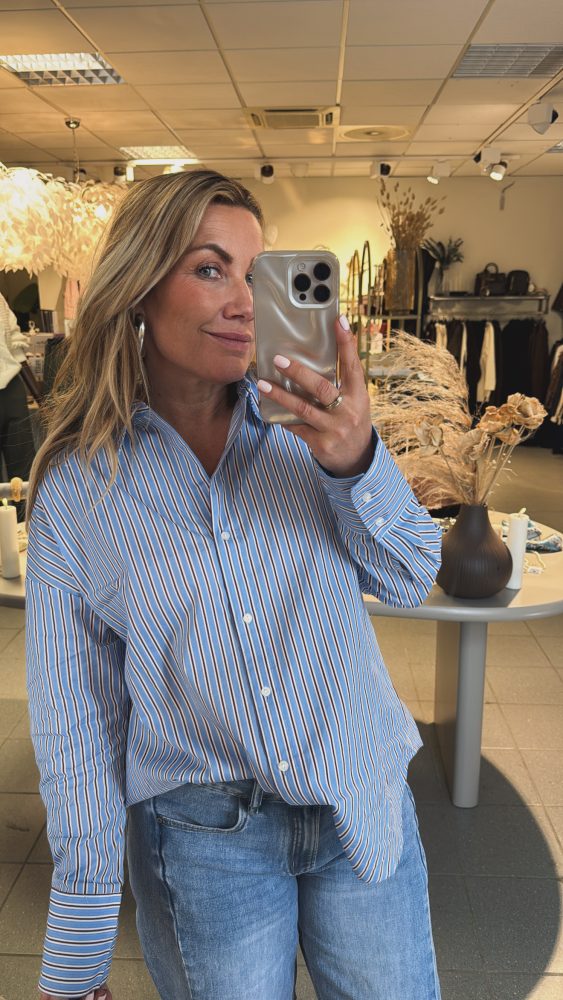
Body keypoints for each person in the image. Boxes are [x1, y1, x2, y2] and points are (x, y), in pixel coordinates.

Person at [26, 169, 442, 1000]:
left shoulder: (314, 433)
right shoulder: (79, 491)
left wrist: (355, 463)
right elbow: (76, 724)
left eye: (257, 275)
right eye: (209, 269)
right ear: (140, 287)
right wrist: (78, 946)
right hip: (202, 840)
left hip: (358, 799)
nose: (246, 302)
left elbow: (410, 576)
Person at [0, 291, 36, 518]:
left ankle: (30, 528)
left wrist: (41, 398)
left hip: (11, 386)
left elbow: (15, 346)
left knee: (24, 469)